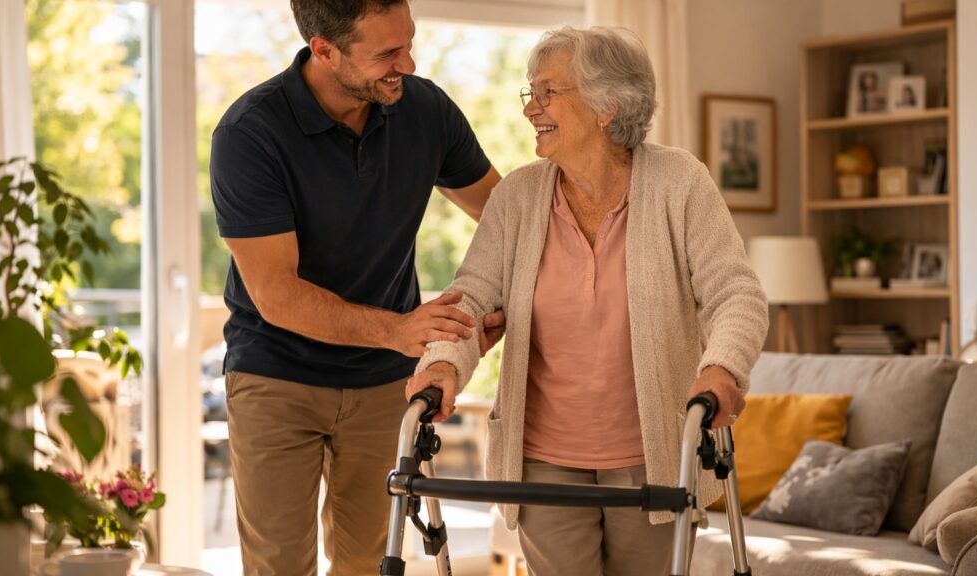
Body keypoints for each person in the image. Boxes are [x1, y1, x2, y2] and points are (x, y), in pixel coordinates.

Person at [406, 26, 768, 576]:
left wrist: (722, 368)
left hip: (655, 457)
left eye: (549, 92)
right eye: (531, 92)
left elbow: (735, 294)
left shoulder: (680, 184)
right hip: (543, 463)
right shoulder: (519, 197)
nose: (532, 109)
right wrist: (441, 363)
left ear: (609, 105)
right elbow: (473, 297)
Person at [209, 1, 503, 574]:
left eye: (409, 42)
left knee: (369, 562)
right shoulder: (250, 133)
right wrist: (400, 329)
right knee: (279, 565)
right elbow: (277, 295)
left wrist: (488, 315)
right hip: (276, 376)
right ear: (323, 49)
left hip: (382, 383)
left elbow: (506, 219)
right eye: (388, 53)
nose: (409, 64)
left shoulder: (426, 111)